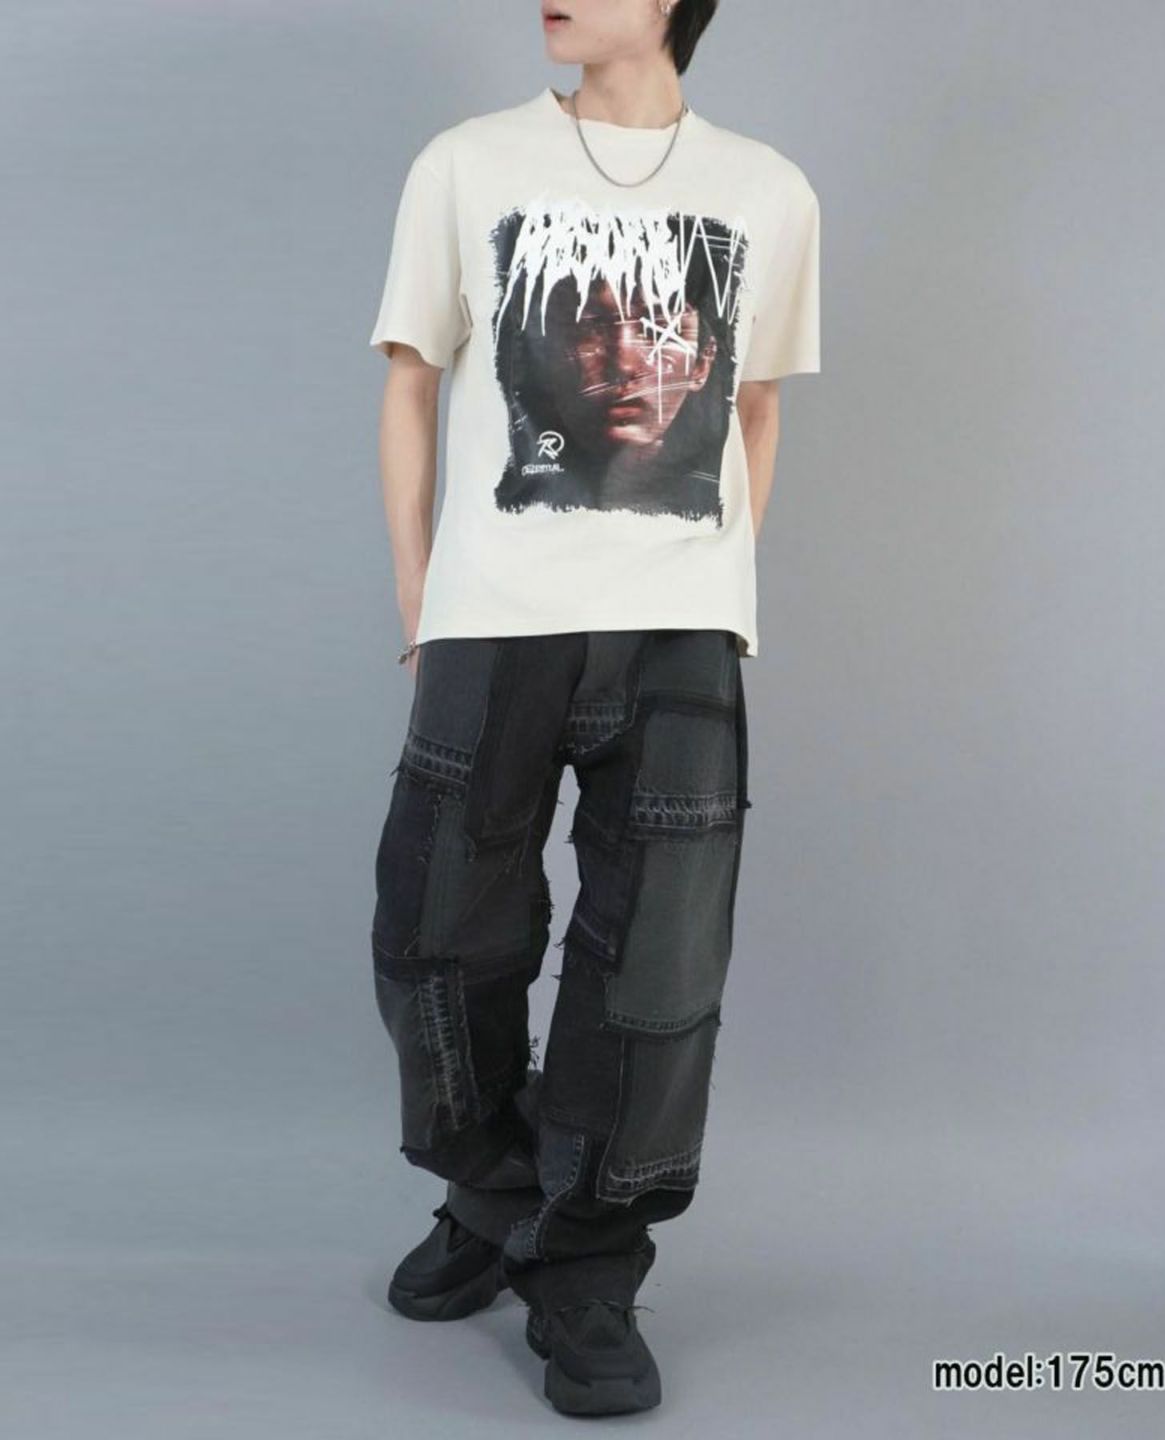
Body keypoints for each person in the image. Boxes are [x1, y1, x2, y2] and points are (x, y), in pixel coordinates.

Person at [366, 0, 819, 1416]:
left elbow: (754, 409)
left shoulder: (768, 191)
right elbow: (411, 383)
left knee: (657, 969)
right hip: (493, 617)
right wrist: (421, 601)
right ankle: (497, 1197)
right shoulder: (466, 163)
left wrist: (718, 584)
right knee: (438, 938)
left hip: (680, 632)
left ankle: (590, 1269)